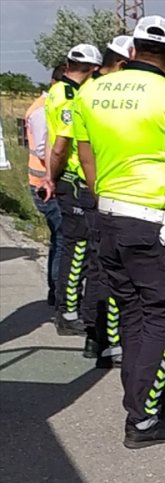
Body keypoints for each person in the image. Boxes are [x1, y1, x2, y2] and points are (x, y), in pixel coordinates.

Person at [74, 15, 165, 448]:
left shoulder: (92, 92)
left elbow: (87, 157)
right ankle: (143, 420)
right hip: (158, 224)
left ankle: (144, 405)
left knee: (132, 315)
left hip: (109, 217)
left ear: (133, 50)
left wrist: (106, 201)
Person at [74, 37, 134, 365]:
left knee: (98, 266)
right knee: (114, 270)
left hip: (95, 189)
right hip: (111, 193)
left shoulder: (88, 93)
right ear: (123, 64)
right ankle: (108, 340)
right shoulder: (120, 96)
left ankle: (94, 336)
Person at [40, 44, 100, 336]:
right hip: (73, 179)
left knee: (72, 247)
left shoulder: (56, 91)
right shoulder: (69, 97)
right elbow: (61, 146)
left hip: (66, 178)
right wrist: (52, 177)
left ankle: (66, 308)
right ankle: (68, 312)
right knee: (77, 250)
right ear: (93, 70)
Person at [23, 66, 65, 306]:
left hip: (43, 183)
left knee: (58, 239)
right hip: (45, 185)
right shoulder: (42, 110)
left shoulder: (44, 106)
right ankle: (59, 293)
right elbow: (42, 148)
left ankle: (56, 290)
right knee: (62, 240)